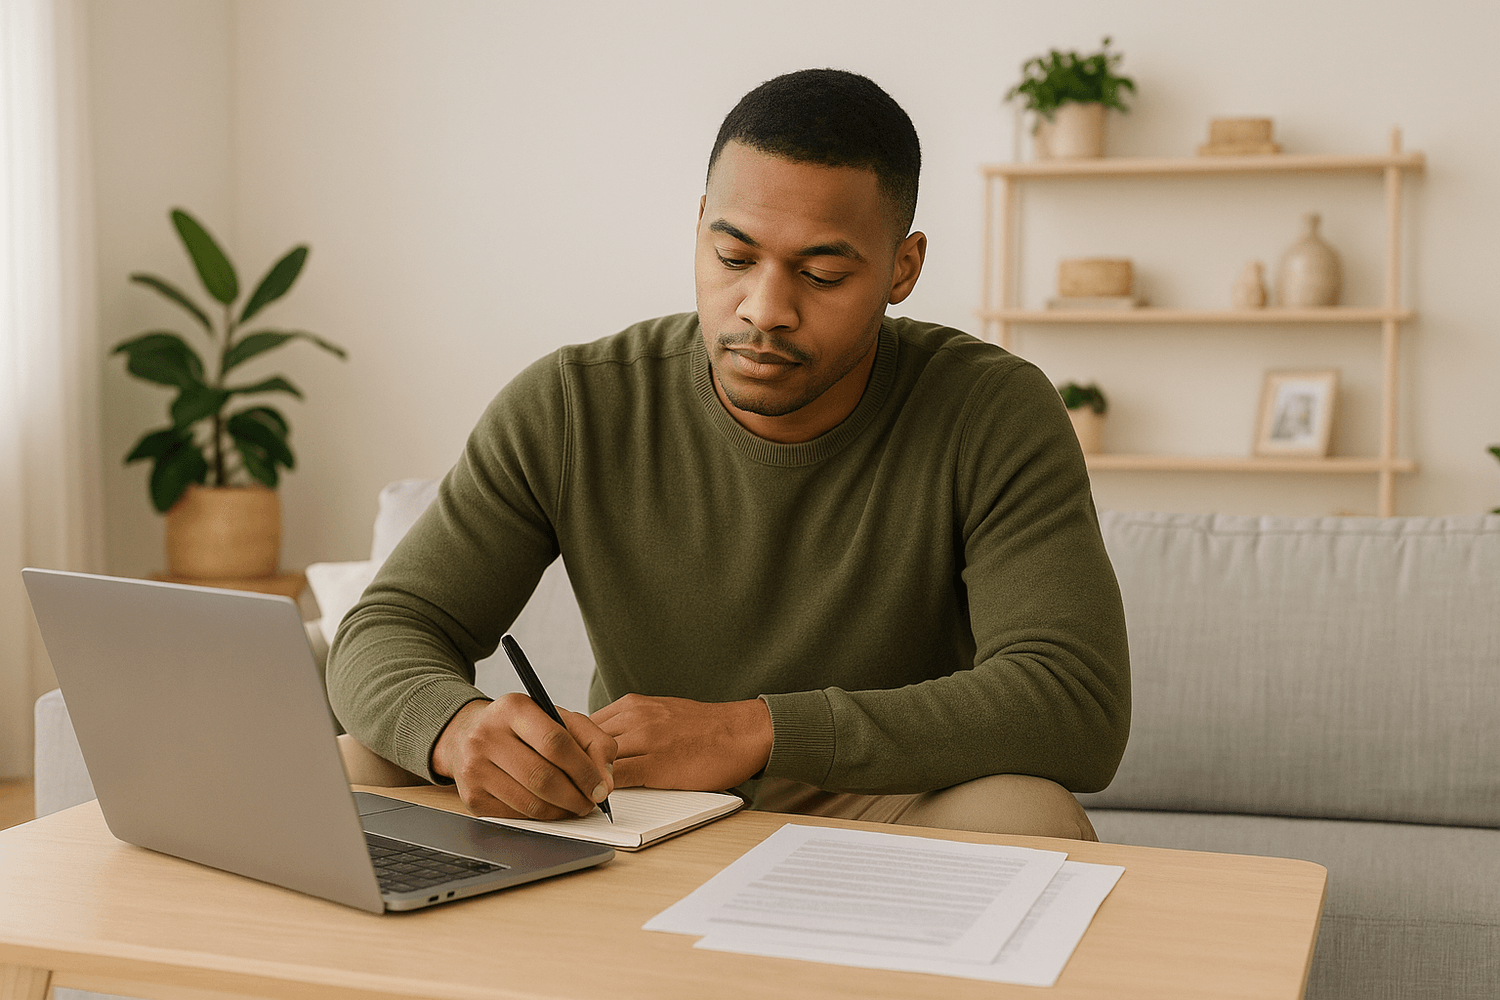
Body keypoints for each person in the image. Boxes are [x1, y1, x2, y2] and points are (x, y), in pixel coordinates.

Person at [327, 68, 1129, 841]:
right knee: (358, 762)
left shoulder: (991, 411)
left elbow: (1073, 702)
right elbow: (389, 626)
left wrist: (756, 732)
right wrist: (457, 728)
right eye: (734, 258)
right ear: (699, 228)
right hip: (632, 805)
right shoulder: (574, 405)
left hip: (882, 807)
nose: (764, 309)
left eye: (821, 274)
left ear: (903, 269)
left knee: (1027, 815)